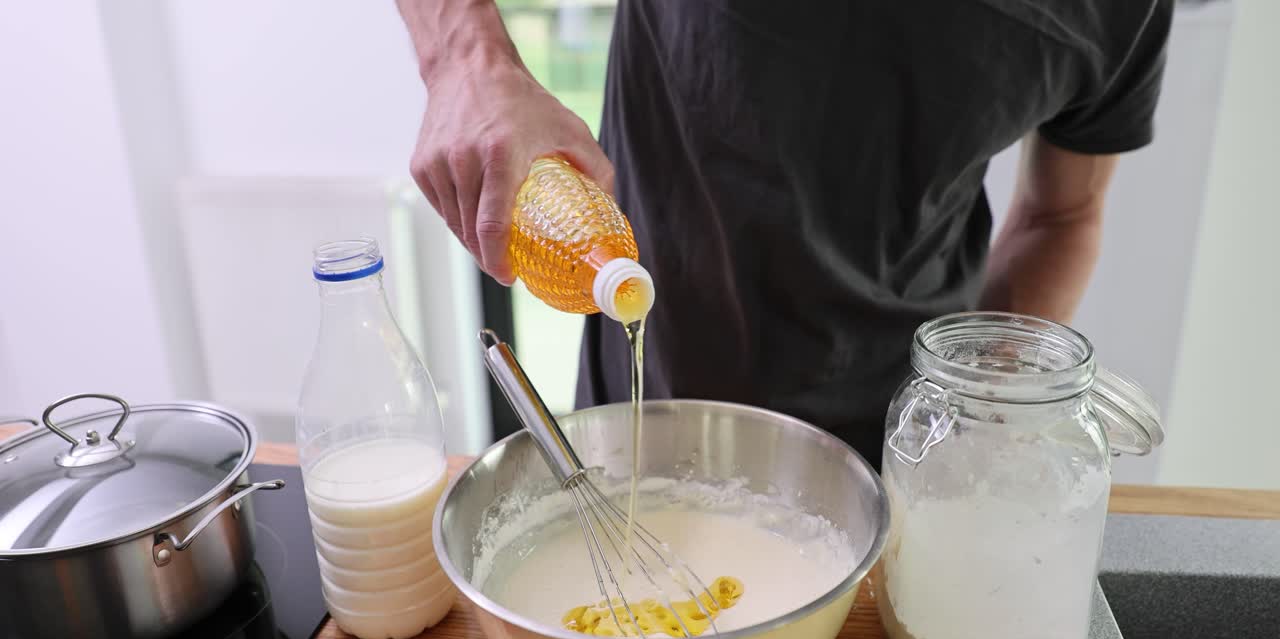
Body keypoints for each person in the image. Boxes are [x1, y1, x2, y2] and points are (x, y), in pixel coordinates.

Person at [396, 0, 1172, 468]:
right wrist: (467, 60)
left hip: (906, 448)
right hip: (646, 400)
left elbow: (1059, 217)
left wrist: (981, 407)